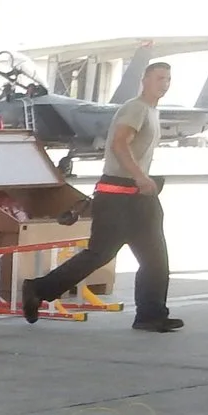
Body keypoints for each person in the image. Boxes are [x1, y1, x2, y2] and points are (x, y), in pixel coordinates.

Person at [23, 59, 180, 331]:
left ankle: (150, 314)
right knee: (99, 254)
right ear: (144, 80)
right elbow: (120, 144)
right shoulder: (135, 109)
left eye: (167, 79)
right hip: (120, 195)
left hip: (139, 197)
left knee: (155, 258)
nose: (164, 84)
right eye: (159, 78)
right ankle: (38, 288)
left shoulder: (152, 111)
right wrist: (141, 177)